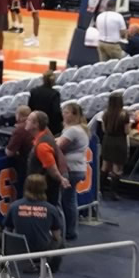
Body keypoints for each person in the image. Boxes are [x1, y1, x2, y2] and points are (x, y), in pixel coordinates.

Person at [2, 173, 65, 278]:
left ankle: (5, 277)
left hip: (18, 249)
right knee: (61, 242)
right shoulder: (51, 209)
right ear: (45, 188)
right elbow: (57, 236)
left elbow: (8, 230)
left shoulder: (14, 206)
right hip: (41, 250)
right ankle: (46, 277)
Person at [57, 102, 90, 239]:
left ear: (74, 114)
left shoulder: (72, 131)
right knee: (70, 200)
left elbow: (58, 146)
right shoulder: (80, 129)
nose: (63, 114)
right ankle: (70, 230)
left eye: (66, 112)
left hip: (70, 169)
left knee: (65, 202)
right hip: (78, 168)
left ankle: (67, 231)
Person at [97, 92, 131, 196]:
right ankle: (113, 192)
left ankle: (100, 189)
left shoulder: (105, 113)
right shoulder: (124, 114)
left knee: (105, 165)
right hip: (119, 141)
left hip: (107, 140)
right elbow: (127, 131)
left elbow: (103, 129)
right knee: (117, 168)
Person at [27, 63, 63, 134]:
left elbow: (30, 107)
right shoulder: (55, 94)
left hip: (36, 122)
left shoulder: (34, 90)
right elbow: (56, 112)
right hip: (50, 126)